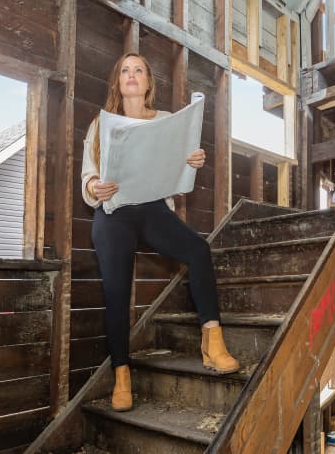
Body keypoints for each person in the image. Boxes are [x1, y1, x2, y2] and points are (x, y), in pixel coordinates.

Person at [81, 52, 239, 412]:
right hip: (114, 211)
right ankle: (122, 375)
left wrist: (191, 161)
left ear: (148, 82)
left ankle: (212, 341)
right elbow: (87, 175)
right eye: (125, 70)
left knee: (198, 251)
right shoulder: (100, 124)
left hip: (152, 207)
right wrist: (94, 188)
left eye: (139, 69)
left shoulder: (166, 121)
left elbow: (179, 178)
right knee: (117, 291)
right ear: (118, 82)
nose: (132, 75)